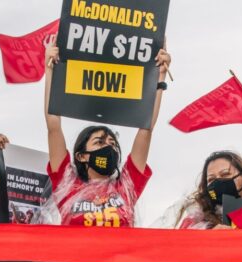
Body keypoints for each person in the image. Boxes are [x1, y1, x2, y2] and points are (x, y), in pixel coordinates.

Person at [41, 39, 171, 227]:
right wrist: (50, 69)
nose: (108, 147)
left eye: (112, 143)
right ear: (82, 156)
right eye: (99, 142)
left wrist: (159, 77)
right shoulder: (67, 185)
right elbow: (53, 126)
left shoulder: (126, 187)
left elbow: (146, 129)